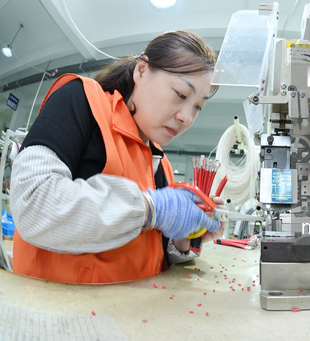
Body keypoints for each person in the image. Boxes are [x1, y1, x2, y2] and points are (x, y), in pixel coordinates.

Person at [10, 30, 226, 283]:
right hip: (58, 313)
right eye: (180, 94)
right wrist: (148, 208)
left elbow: (153, 254)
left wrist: (184, 237)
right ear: (142, 70)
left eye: (198, 107)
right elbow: (33, 204)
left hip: (130, 315)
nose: (186, 118)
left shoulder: (160, 163)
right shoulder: (81, 100)